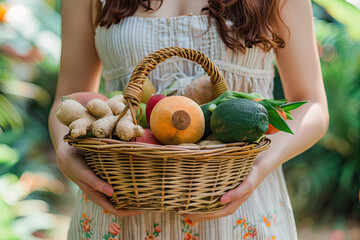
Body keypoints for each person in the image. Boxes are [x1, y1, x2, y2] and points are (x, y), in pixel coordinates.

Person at [48, 0, 329, 239]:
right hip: (120, 206)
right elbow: (68, 99)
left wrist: (258, 168)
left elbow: (312, 104)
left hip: (239, 208)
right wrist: (66, 155)